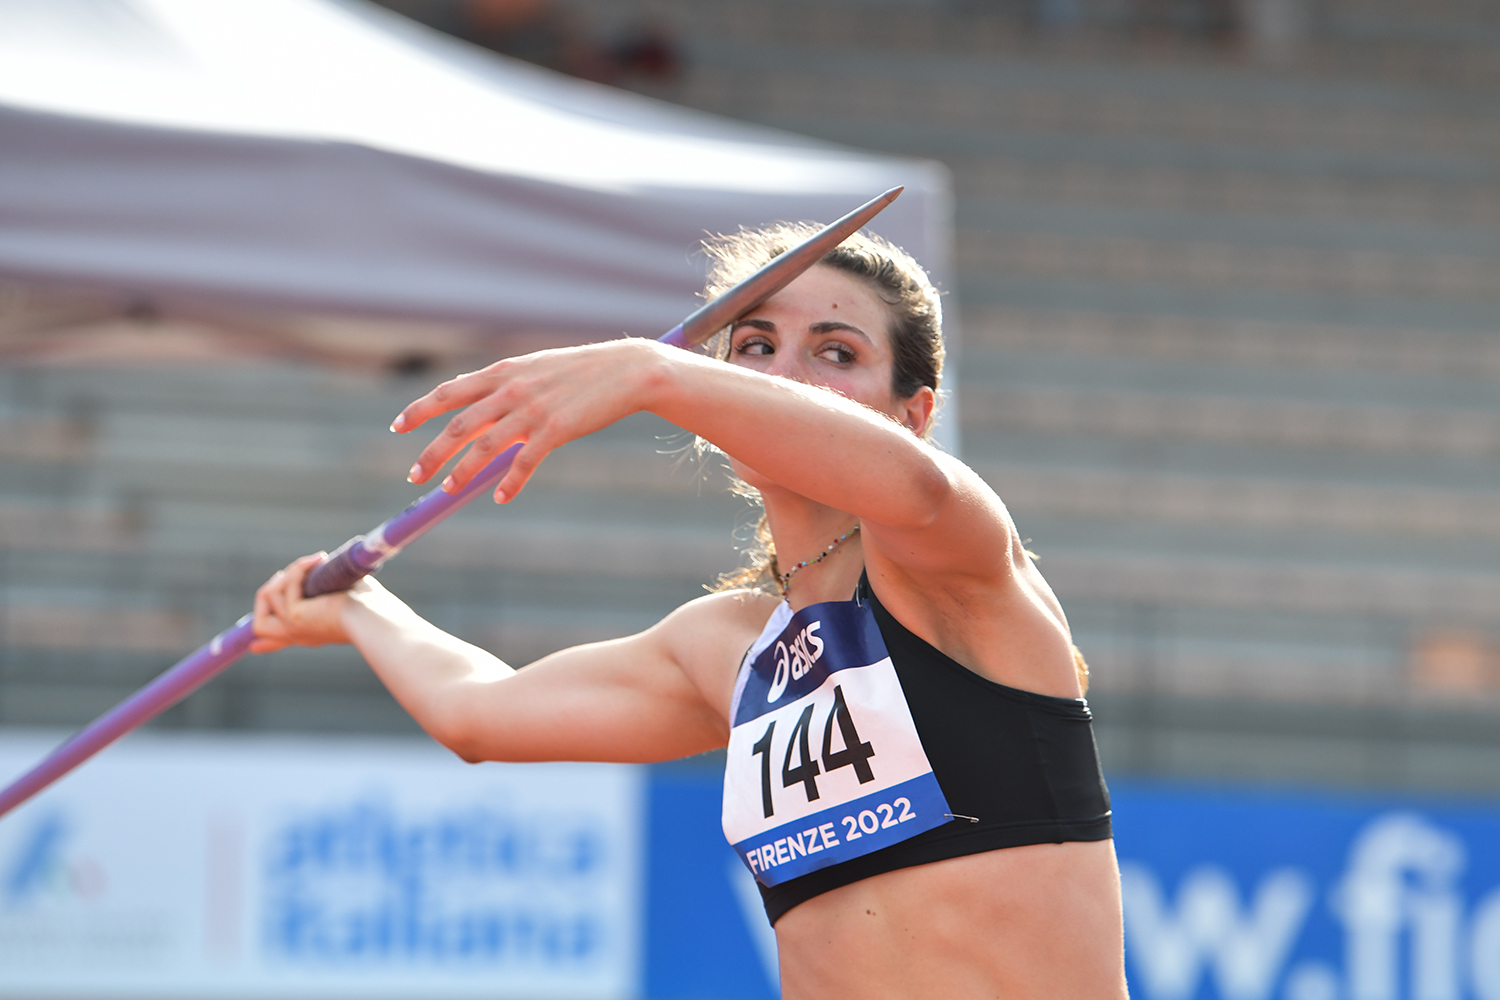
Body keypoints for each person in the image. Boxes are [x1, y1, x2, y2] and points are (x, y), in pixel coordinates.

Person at [251, 225, 1128, 999]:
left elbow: (918, 489)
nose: (785, 375)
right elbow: (477, 713)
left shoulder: (955, 564)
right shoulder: (728, 647)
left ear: (915, 412)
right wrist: (360, 610)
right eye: (755, 346)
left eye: (836, 353)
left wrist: (652, 371)